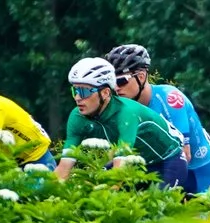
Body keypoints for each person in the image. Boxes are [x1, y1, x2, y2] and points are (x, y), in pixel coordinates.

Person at [57, 56, 197, 188]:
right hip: (136, 163)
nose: (77, 98)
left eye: (84, 92)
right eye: (74, 90)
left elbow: (119, 170)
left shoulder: (126, 113)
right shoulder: (77, 116)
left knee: (156, 207)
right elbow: (64, 166)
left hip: (168, 162)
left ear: (105, 93)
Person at [107, 46, 210, 189]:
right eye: (112, 83)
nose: (116, 88)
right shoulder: (121, 109)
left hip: (198, 173)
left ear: (141, 77)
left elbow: (185, 154)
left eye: (121, 81)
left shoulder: (169, 98)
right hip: (163, 168)